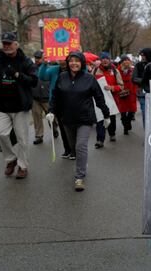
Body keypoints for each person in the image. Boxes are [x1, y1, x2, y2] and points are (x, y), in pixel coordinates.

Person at [47, 51, 110, 191]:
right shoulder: (62, 77)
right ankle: (82, 163)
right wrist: (51, 111)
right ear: (68, 63)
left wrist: (106, 115)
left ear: (81, 62)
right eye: (71, 61)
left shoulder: (89, 79)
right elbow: (55, 96)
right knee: (74, 147)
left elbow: (99, 98)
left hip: (85, 118)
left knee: (81, 146)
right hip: (67, 119)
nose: (73, 63)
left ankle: (79, 177)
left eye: (76, 60)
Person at [0, 32, 37, 179]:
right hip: (1, 106)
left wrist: (17, 75)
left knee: (22, 139)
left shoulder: (25, 61)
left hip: (20, 107)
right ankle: (11, 159)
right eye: (4, 43)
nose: (6, 46)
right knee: (0, 133)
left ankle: (23, 166)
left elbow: (33, 81)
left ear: (16, 44)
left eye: (9, 43)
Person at [38, 57, 73, 159]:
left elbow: (84, 72)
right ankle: (67, 150)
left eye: (64, 59)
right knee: (63, 128)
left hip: (72, 102)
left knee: (72, 128)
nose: (62, 61)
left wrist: (79, 55)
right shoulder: (54, 69)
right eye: (60, 59)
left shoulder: (73, 68)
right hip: (57, 103)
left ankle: (74, 149)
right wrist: (44, 64)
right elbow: (42, 76)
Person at [94, 52, 124, 146]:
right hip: (99, 99)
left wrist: (112, 88)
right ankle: (100, 140)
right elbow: (90, 83)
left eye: (107, 58)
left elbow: (121, 86)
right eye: (103, 58)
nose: (105, 60)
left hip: (112, 100)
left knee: (111, 118)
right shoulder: (95, 71)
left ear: (110, 60)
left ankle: (112, 133)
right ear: (100, 60)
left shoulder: (115, 71)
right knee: (100, 119)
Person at [31, 50, 59, 145]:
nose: (37, 60)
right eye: (36, 58)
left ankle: (54, 128)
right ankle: (39, 136)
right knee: (37, 117)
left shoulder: (50, 67)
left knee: (51, 117)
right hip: (35, 98)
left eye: (39, 58)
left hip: (47, 98)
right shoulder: (32, 68)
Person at [132, 48, 151, 127]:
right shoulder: (138, 65)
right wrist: (145, 81)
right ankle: (147, 134)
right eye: (141, 55)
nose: (142, 57)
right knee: (145, 114)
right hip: (142, 93)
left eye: (143, 55)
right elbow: (134, 78)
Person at [117, 55, 137, 135]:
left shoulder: (132, 70)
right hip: (122, 92)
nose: (126, 62)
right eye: (124, 61)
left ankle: (128, 123)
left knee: (132, 110)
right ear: (121, 63)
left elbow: (135, 79)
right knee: (123, 111)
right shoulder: (117, 70)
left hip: (131, 92)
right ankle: (125, 126)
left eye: (127, 60)